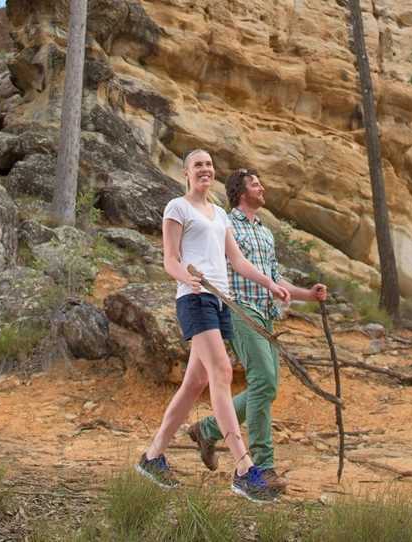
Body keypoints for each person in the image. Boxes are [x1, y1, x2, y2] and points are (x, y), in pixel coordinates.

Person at [136, 150, 291, 503]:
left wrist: (270, 284)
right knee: (221, 370)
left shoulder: (219, 214)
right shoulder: (178, 207)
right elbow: (170, 260)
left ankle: (152, 456)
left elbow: (237, 261)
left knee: (196, 383)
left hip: (220, 302)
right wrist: (186, 280)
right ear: (186, 173)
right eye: (198, 165)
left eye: (209, 165)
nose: (205, 169)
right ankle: (243, 469)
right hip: (194, 298)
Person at [187, 168, 328, 494]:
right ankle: (262, 466)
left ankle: (207, 429)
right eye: (255, 184)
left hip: (265, 316)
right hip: (238, 310)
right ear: (240, 191)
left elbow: (275, 278)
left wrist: (308, 294)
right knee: (263, 382)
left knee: (267, 388)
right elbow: (227, 263)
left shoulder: (266, 233)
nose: (262, 188)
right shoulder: (225, 224)